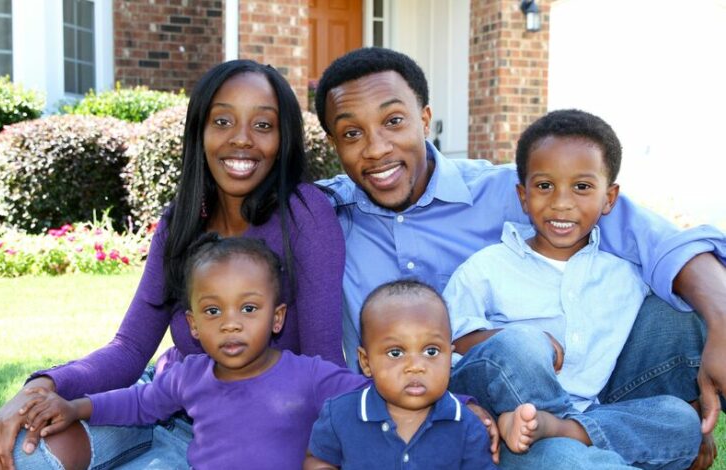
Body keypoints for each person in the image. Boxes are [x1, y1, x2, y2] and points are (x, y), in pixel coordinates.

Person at [314, 47, 725, 468]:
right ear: (333, 144)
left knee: (679, 315)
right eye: (352, 133)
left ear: (424, 119)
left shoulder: (525, 192)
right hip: (455, 414)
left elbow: (662, 244)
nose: (376, 148)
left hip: (558, 397)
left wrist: (722, 322)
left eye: (394, 121)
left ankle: (578, 432)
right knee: (533, 385)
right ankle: (589, 443)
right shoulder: (319, 218)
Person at [0, 59, 347, 470]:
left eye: (263, 125)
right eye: (222, 121)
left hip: (245, 437)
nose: (241, 139)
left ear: (283, 140)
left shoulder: (304, 215)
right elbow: (130, 348)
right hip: (154, 402)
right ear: (199, 132)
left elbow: (325, 364)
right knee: (24, 451)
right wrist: (41, 386)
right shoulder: (181, 220)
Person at [442, 109, 701, 469]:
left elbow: (685, 273)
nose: (561, 202)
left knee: (680, 419)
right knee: (522, 344)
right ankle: (564, 439)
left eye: (581, 187)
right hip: (508, 417)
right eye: (544, 186)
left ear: (609, 198)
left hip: (589, 414)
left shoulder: (624, 275)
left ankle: (564, 431)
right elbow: (447, 344)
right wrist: (516, 338)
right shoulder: (486, 268)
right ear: (523, 195)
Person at [16, 236, 369, 470]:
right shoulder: (190, 376)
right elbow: (139, 402)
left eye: (248, 309)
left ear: (277, 318)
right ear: (193, 324)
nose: (230, 324)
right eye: (213, 311)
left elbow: (369, 398)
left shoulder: (309, 376)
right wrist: (75, 407)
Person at [305, 280, 497, 469]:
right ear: (366, 362)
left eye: (431, 351)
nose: (416, 366)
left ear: (449, 357)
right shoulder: (340, 414)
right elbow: (318, 460)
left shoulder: (467, 424)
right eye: (395, 353)